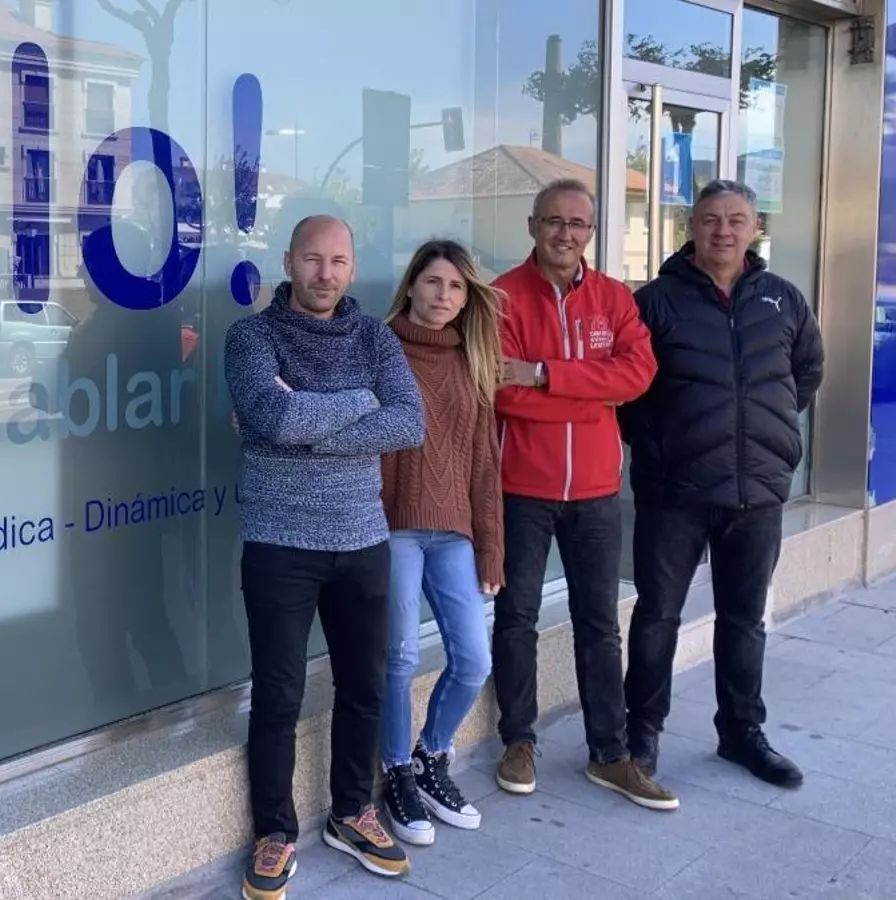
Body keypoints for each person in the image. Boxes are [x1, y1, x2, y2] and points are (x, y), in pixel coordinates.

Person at [225, 214, 425, 900]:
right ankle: (275, 831)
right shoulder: (252, 337)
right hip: (279, 543)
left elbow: (409, 421)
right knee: (278, 695)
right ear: (289, 262)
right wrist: (361, 403)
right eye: (313, 259)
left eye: (338, 261)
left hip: (363, 541)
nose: (326, 273)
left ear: (351, 266)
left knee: (365, 686)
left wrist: (307, 419)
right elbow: (271, 416)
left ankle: (351, 812)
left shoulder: (374, 336)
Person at [619, 180, 824, 788]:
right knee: (657, 616)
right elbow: (628, 393)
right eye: (711, 219)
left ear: (755, 227)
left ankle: (741, 732)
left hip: (756, 491)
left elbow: (806, 372)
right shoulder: (655, 301)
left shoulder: (783, 299)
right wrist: (662, 446)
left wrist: (764, 439)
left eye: (736, 219)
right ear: (692, 227)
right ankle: (641, 735)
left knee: (744, 619)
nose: (724, 230)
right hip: (674, 493)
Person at [489, 178, 677, 811]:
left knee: (599, 625)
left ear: (591, 232)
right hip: (522, 488)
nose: (564, 233)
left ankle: (610, 753)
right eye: (553, 221)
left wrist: (545, 375)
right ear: (532, 225)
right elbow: (502, 393)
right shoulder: (501, 298)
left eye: (577, 224)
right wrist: (593, 393)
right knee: (516, 619)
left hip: (596, 492)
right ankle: (518, 740)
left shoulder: (614, 298)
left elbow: (639, 374)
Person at [375, 240, 504, 846]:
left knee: (474, 659)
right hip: (393, 526)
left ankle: (431, 755)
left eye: (455, 287)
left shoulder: (471, 360)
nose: (443, 295)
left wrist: (491, 547)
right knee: (399, 657)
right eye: (433, 282)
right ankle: (397, 770)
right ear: (411, 285)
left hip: (453, 532)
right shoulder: (379, 347)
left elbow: (484, 464)